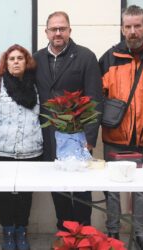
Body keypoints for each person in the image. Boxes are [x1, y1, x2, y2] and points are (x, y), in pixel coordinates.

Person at [99, 5, 143, 249]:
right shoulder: (108, 58)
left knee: (141, 192)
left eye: (137, 26)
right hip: (114, 136)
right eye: (128, 26)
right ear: (122, 28)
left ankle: (140, 237)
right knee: (112, 191)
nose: (133, 31)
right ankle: (113, 236)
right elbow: (99, 97)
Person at [33, 11, 103, 231]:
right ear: (46, 32)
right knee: (58, 186)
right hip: (49, 136)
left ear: (69, 30)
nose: (57, 33)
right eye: (53, 29)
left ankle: (84, 233)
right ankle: (64, 232)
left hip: (78, 135)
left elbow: (95, 99)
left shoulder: (85, 56)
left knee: (81, 188)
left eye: (62, 28)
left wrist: (90, 138)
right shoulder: (36, 59)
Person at [0, 44, 42, 250]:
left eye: (20, 58)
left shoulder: (36, 86)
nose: (15, 62)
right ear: (5, 63)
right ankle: (7, 233)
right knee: (4, 196)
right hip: (2, 152)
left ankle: (21, 233)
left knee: (25, 196)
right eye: (11, 58)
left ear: (27, 62)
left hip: (31, 151)